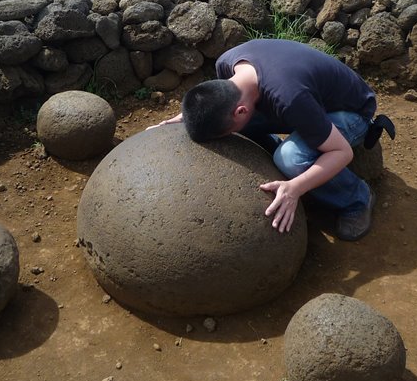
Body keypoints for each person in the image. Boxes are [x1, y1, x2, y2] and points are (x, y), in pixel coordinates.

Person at [155, 38, 394, 241]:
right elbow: (213, 100)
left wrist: (295, 188)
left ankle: (358, 198)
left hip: (351, 112)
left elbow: (342, 152)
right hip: (308, 101)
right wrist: (190, 116)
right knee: (244, 131)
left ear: (241, 111)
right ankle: (287, 163)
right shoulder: (227, 64)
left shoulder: (289, 97)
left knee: (290, 159)